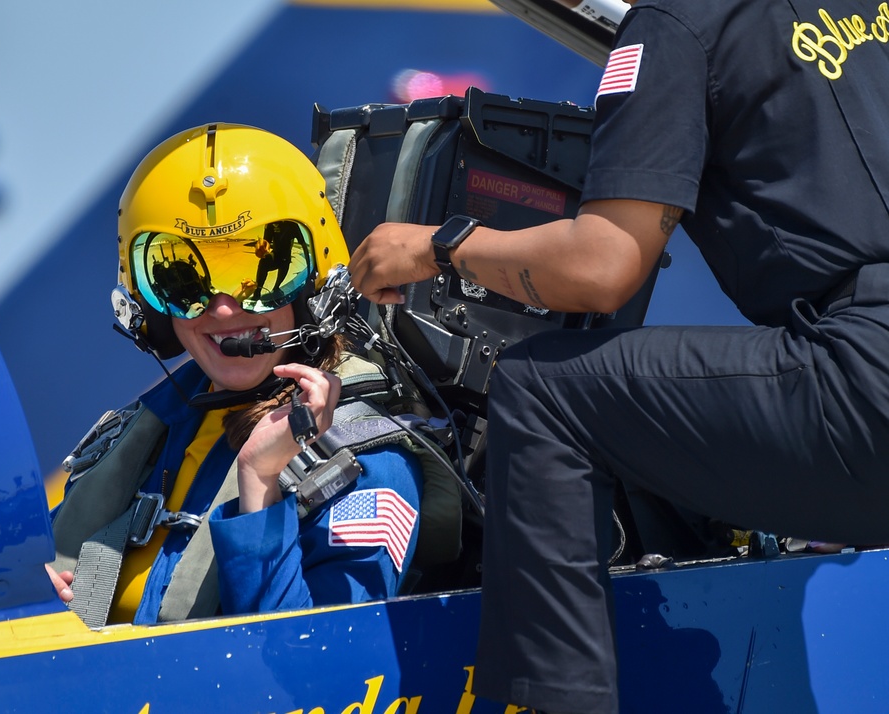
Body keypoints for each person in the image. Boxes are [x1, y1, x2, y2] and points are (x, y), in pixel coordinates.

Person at [348, 1, 889, 712]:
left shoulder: (677, 23)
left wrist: (437, 245)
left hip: (868, 370)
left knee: (546, 392)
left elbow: (603, 266)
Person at [46, 122, 425, 628]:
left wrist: (260, 481)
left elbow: (316, 673)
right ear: (150, 307)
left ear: (312, 286)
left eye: (263, 274)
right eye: (182, 280)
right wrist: (34, 603)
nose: (224, 311)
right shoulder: (147, 436)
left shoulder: (369, 467)